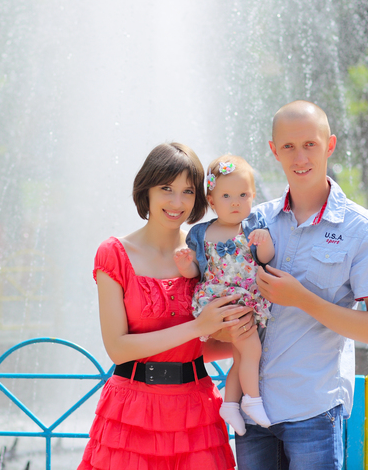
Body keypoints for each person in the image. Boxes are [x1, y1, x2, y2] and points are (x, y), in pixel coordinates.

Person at [233, 101, 368, 469]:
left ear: (330, 145)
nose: (300, 157)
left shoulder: (361, 229)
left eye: (310, 144)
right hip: (253, 411)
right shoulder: (254, 220)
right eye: (289, 146)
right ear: (274, 150)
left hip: (313, 412)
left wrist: (302, 299)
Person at [78, 142, 257, 470]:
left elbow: (198, 346)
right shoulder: (114, 254)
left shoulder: (204, 251)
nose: (177, 203)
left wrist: (242, 336)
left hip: (195, 412)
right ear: (146, 189)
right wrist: (198, 326)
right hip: (131, 413)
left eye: (188, 191)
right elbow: (117, 349)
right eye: (166, 189)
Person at [174, 154, 274, 435]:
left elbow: (265, 258)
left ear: (253, 196)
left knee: (242, 356)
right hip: (220, 301)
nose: (235, 202)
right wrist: (185, 266)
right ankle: (252, 400)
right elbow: (197, 271)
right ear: (212, 200)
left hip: (245, 298)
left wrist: (265, 241)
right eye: (226, 196)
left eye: (243, 195)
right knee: (252, 349)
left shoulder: (253, 226)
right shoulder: (201, 233)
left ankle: (230, 404)